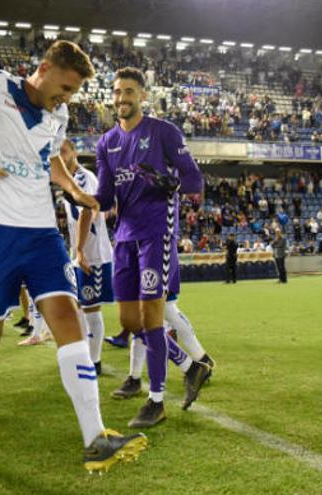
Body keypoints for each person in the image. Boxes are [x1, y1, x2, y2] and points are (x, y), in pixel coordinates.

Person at [0, 41, 147, 484]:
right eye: (65, 87)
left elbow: (51, 157)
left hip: (42, 235)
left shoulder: (60, 115)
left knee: (68, 320)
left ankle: (95, 437)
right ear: (44, 68)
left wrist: (72, 188)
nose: (66, 98)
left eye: (73, 92)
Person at [93, 67, 209, 429]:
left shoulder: (163, 131)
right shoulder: (106, 143)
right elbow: (104, 196)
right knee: (129, 322)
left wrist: (169, 182)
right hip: (124, 237)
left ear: (142, 95)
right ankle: (191, 366)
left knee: (152, 317)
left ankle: (156, 401)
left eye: (129, 91)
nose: (122, 98)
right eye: (116, 92)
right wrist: (75, 192)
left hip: (156, 233)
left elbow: (194, 179)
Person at [46, 139, 113, 368]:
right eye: (58, 153)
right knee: (82, 308)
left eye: (65, 151)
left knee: (91, 309)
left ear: (74, 152)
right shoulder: (69, 181)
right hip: (82, 252)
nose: (62, 156)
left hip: (92, 254)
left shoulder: (84, 178)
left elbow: (86, 213)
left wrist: (81, 250)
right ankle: (88, 357)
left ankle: (95, 362)